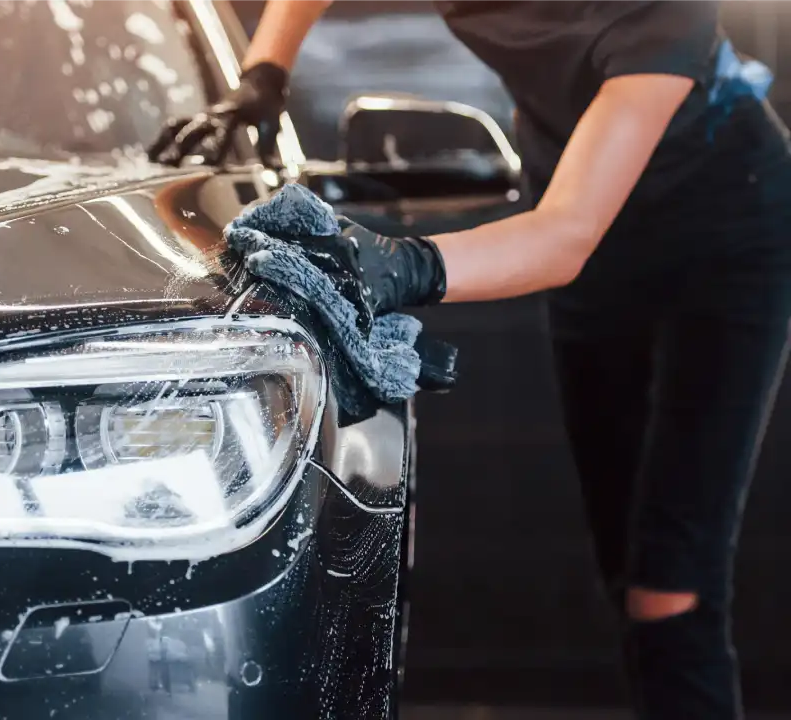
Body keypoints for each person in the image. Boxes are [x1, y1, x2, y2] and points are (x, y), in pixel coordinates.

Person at [148, 1, 791, 718]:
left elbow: (565, 236)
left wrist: (401, 266)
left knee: (669, 586)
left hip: (723, 246)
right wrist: (263, 76)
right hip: (594, 252)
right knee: (628, 570)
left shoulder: (666, 14)